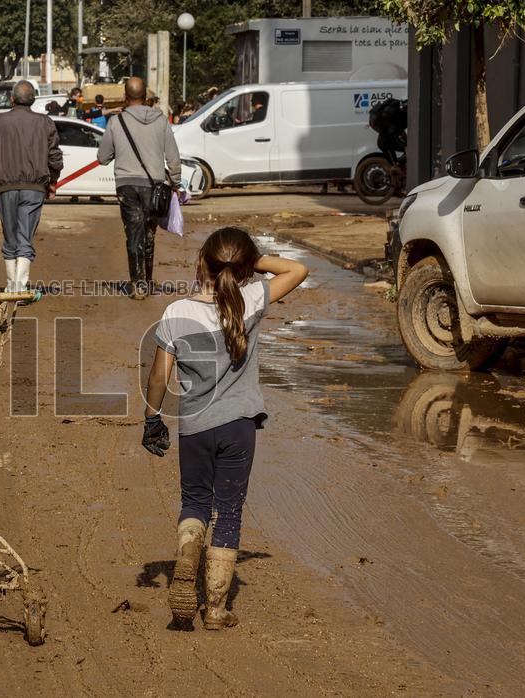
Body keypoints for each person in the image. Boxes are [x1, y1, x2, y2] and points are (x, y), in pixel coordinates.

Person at [142, 227, 308, 629]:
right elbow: (298, 269)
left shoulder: (176, 313)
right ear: (245, 267)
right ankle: (216, 609)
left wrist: (152, 419)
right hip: (239, 427)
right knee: (229, 511)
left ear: (202, 263)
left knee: (195, 501)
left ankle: (187, 552)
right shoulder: (252, 298)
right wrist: (251, 261)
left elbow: (159, 376)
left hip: (195, 427)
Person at [97, 77, 181, 299]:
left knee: (134, 234)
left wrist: (119, 150)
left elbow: (102, 157)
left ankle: (138, 285)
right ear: (146, 97)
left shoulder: (116, 122)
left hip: (127, 186)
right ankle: (149, 281)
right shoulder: (161, 121)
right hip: (154, 185)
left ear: (125, 97)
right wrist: (176, 182)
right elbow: (173, 156)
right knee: (149, 233)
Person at [0, 80, 63, 292]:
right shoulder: (45, 123)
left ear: (11, 99)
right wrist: (53, 182)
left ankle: (12, 285)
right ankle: (19, 286)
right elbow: (55, 156)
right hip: (34, 188)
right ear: (34, 100)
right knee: (25, 235)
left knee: (10, 237)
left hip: (4, 188)